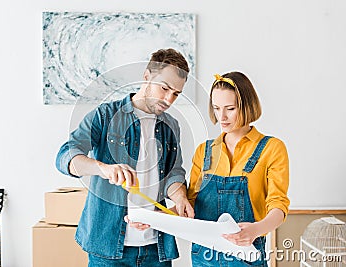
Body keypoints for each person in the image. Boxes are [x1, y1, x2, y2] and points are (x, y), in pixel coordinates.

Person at [55, 48, 195, 267]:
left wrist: (179, 198)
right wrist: (103, 168)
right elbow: (66, 156)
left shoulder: (171, 126)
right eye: (165, 88)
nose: (169, 99)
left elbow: (173, 173)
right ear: (147, 76)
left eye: (176, 93)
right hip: (107, 247)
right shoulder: (105, 115)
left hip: (156, 248)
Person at [187, 72, 290, 266]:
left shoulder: (272, 148)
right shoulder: (204, 151)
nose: (222, 117)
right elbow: (188, 205)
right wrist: (152, 218)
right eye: (217, 108)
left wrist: (256, 229)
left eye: (230, 109)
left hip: (246, 255)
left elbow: (278, 206)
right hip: (203, 258)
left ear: (247, 107)